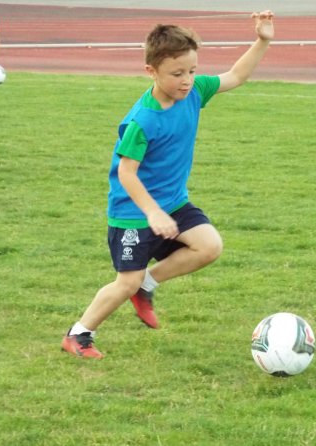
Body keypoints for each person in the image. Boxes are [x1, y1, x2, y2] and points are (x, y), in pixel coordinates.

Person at [62, 11, 275, 359]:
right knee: (124, 281)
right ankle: (79, 333)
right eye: (177, 74)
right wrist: (152, 212)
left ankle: (148, 284)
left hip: (173, 202)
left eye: (191, 71)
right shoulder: (142, 121)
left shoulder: (194, 92)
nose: (187, 80)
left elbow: (236, 75)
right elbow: (127, 173)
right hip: (133, 211)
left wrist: (263, 39)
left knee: (209, 246)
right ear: (152, 72)